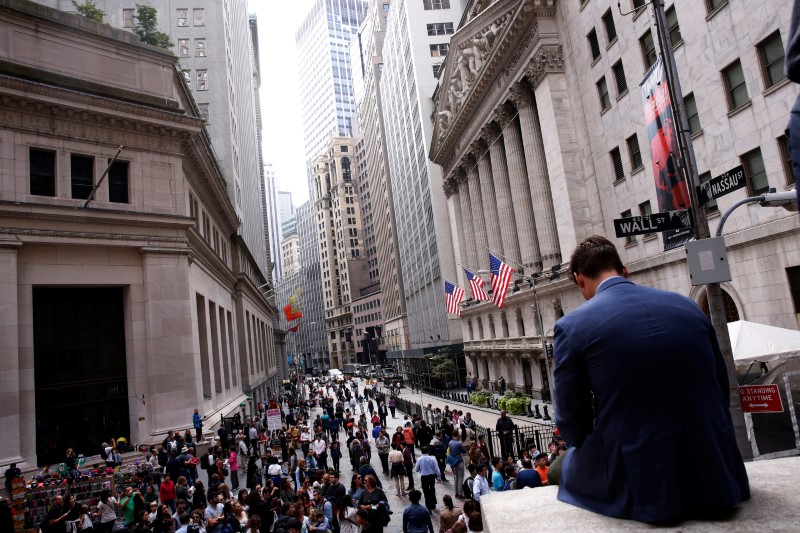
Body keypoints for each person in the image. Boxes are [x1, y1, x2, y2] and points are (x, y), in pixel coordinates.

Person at [552, 235, 750, 523]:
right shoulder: (687, 306)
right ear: (625, 270)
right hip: (717, 473)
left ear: (579, 279)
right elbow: (721, 385)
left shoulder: (571, 327)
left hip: (645, 484)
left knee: (560, 466)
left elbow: (572, 424)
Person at [414, 446, 440, 512]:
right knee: (432, 489)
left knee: (426, 492)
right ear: (428, 451)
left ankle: (428, 507)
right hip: (432, 477)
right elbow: (436, 469)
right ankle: (433, 504)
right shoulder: (432, 458)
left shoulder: (419, 459)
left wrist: (421, 469)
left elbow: (416, 469)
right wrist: (439, 477)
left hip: (424, 477)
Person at [447, 432, 467, 498]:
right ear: (458, 435)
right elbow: (464, 451)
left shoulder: (450, 442)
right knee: (461, 478)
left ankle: (456, 492)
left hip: (453, 462)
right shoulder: (459, 443)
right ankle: (460, 493)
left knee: (456, 477)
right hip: (459, 461)